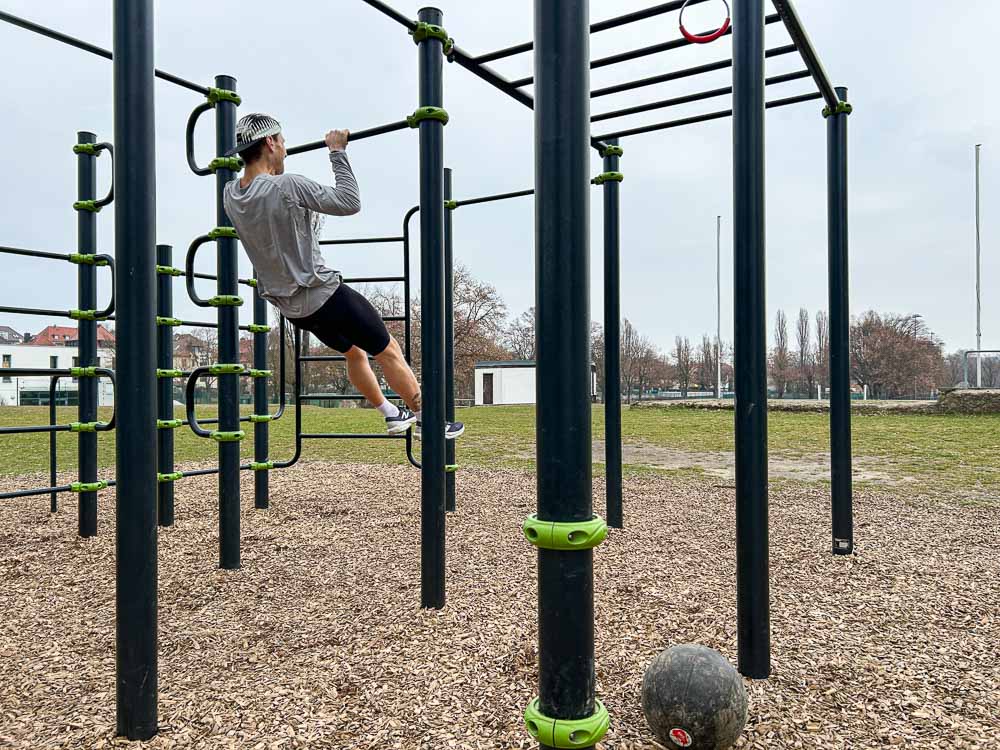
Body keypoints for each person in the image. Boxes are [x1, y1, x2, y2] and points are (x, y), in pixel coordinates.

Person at [222, 113, 463, 439]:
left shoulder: (231, 195)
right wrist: (337, 151)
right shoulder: (287, 185)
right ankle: (427, 420)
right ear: (270, 143)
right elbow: (350, 202)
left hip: (294, 310)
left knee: (355, 352)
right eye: (283, 143)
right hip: (323, 293)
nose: (286, 151)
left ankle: (391, 413)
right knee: (387, 348)